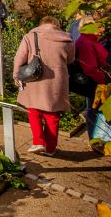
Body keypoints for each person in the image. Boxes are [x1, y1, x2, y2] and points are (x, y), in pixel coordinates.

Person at [13, 16, 74, 156]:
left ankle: (38, 142)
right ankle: (51, 148)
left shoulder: (30, 36)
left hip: (35, 79)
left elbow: (19, 57)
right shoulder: (67, 39)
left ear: (41, 24)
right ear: (57, 25)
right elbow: (71, 59)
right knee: (52, 115)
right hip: (57, 82)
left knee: (33, 111)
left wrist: (16, 75)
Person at [76, 15, 110, 140]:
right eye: (98, 26)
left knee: (97, 110)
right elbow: (89, 68)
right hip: (97, 83)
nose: (101, 29)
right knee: (98, 111)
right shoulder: (87, 42)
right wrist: (105, 79)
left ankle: (101, 140)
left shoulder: (89, 40)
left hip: (97, 82)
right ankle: (99, 141)